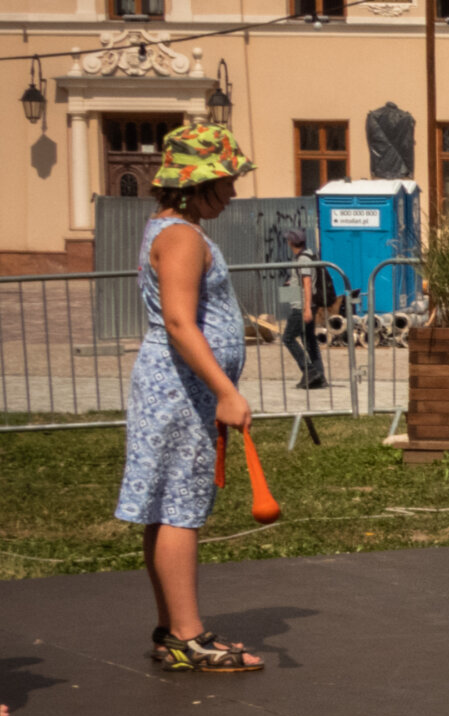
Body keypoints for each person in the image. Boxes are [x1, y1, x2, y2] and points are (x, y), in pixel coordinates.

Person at [115, 124, 265, 674]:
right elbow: (180, 321)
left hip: (177, 385)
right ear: (195, 184)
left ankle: (172, 628)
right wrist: (225, 390)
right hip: (181, 387)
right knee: (180, 506)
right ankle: (187, 635)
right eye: (224, 181)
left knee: (169, 504)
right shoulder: (181, 236)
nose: (231, 193)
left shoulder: (176, 229)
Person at [278, 227, 328, 391]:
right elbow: (301, 281)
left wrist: (306, 308)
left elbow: (307, 283)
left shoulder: (303, 259)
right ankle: (319, 377)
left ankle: (309, 371)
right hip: (302, 304)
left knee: (288, 338)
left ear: (291, 242)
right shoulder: (304, 256)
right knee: (309, 340)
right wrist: (290, 285)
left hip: (301, 306)